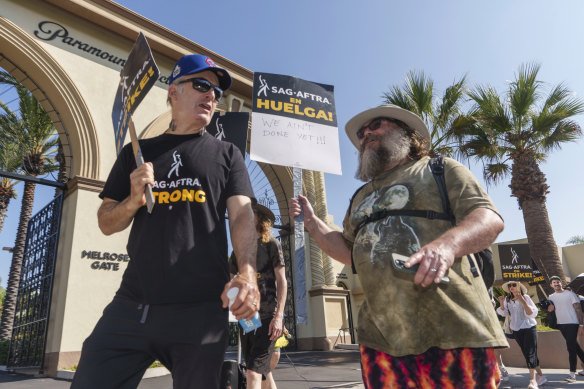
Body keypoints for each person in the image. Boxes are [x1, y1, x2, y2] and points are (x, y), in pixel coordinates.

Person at [71, 54, 260, 389]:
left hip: (200, 311)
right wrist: (133, 199)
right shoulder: (136, 153)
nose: (211, 96)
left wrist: (246, 271)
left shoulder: (227, 154)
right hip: (132, 305)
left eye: (215, 92)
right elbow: (106, 223)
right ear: (174, 91)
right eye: (202, 85)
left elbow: (242, 213)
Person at [289, 104, 508, 388]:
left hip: (454, 330)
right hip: (381, 340)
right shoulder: (359, 197)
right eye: (361, 132)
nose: (366, 133)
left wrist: (446, 246)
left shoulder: (439, 169)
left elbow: (488, 218)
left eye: (375, 125)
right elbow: (349, 252)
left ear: (406, 132)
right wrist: (313, 223)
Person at [230, 203, 287, 389]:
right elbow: (232, 283)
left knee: (253, 371)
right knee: (262, 372)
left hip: (268, 317)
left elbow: (282, 282)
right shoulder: (238, 249)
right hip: (248, 318)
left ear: (260, 218)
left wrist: (279, 317)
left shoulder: (271, 244)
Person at [497, 281, 546, 388]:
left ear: (519, 287)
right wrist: (501, 302)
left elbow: (531, 313)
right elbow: (504, 313)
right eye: (510, 286)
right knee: (527, 353)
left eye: (514, 285)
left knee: (530, 353)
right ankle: (541, 376)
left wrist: (523, 301)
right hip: (516, 330)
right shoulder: (507, 299)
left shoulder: (526, 297)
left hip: (529, 328)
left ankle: (532, 380)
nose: (511, 287)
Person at [548, 275, 584, 383]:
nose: (556, 284)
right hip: (561, 324)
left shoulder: (570, 294)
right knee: (575, 347)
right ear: (551, 285)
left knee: (571, 348)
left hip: (572, 323)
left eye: (558, 282)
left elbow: (578, 309)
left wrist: (581, 325)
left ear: (561, 283)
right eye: (554, 282)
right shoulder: (551, 297)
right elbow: (552, 311)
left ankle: (572, 375)